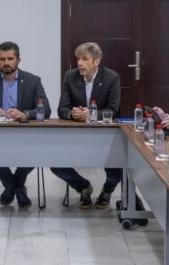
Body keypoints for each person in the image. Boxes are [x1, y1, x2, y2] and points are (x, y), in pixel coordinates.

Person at [0, 41, 51, 209]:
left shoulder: (33, 80)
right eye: (2, 59)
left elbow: (46, 109)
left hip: (25, 134)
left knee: (36, 151)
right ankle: (17, 188)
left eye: (10, 59)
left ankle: (11, 187)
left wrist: (25, 114)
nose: (6, 63)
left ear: (18, 60)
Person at [51, 42, 122, 210]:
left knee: (117, 169)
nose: (80, 63)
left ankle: (107, 190)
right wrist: (73, 114)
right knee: (56, 165)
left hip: (104, 137)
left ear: (96, 61)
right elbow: (62, 109)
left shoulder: (111, 78)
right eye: (78, 59)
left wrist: (91, 115)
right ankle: (83, 187)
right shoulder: (70, 76)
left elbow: (113, 111)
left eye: (85, 59)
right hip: (76, 136)